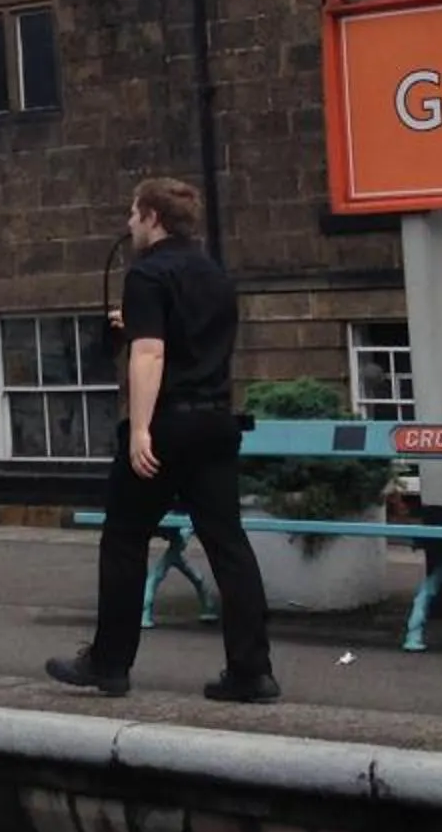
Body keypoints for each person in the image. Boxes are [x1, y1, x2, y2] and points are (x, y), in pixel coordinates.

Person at [49, 177, 279, 703]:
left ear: (153, 216)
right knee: (229, 546)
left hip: (168, 423)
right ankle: (252, 670)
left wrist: (140, 428)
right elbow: (187, 337)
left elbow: (150, 354)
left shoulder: (147, 273)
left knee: (125, 540)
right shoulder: (215, 274)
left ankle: (109, 663)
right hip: (216, 420)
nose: (129, 223)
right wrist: (136, 325)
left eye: (133, 213)